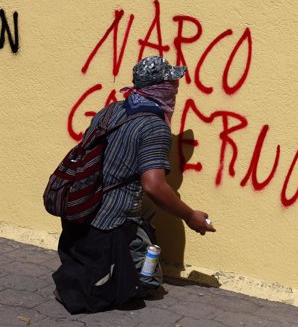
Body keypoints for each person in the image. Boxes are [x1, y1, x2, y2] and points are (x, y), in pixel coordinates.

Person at [52, 55, 216, 314]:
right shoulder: (154, 127)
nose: (176, 91)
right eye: (172, 86)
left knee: (145, 220)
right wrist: (190, 216)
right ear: (161, 89)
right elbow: (154, 186)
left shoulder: (111, 110)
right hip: (111, 219)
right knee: (139, 286)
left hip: (82, 205)